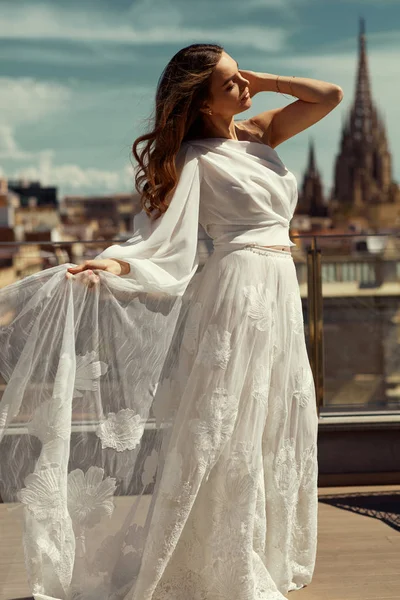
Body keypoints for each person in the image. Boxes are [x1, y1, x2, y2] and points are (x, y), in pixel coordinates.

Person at [0, 44, 343, 600]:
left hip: (280, 290)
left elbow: (330, 96)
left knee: (274, 416)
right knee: (222, 425)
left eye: (240, 77)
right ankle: (217, 558)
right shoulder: (193, 159)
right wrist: (112, 263)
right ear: (203, 104)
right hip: (236, 292)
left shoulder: (259, 134)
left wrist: (261, 78)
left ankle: (259, 546)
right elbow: (157, 240)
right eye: (230, 83)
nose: (244, 87)